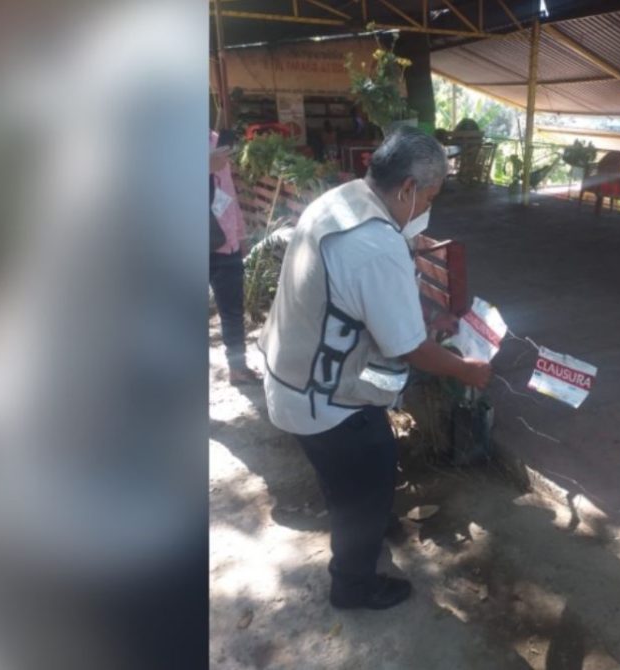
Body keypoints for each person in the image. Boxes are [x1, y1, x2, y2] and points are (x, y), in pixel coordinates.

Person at [259, 127, 492, 610]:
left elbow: (358, 301)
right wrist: (465, 369)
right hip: (323, 400)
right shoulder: (374, 244)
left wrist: (421, 322)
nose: (428, 207)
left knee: (346, 477)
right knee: (370, 476)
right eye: (430, 196)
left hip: (292, 376)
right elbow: (411, 349)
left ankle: (364, 519)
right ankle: (353, 584)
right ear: (407, 187)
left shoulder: (343, 200)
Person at [209, 128, 260, 385]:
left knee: (232, 310)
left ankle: (237, 368)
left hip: (225, 244)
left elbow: (228, 193)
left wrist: (240, 235)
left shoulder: (215, 140)